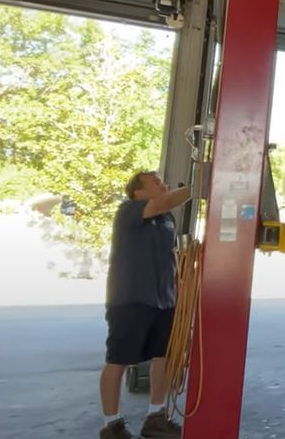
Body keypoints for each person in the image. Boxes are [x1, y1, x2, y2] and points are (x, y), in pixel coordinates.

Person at [99, 170, 191, 439]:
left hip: (164, 300)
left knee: (163, 357)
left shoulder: (166, 218)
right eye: (156, 181)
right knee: (118, 360)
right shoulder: (129, 210)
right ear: (138, 191)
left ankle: (156, 416)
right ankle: (111, 424)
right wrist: (198, 186)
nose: (163, 184)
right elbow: (165, 201)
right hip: (130, 300)